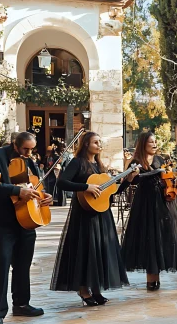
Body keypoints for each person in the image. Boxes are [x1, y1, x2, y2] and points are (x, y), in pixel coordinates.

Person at [0, 132, 53, 324]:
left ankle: (21, 304)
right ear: (15, 144)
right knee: (2, 262)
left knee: (23, 263)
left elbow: (35, 185)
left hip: (26, 217)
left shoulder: (29, 161)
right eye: (25, 149)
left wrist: (44, 196)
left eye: (32, 150)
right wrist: (16, 191)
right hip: (3, 219)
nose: (29, 153)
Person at [50, 131, 131, 305]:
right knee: (86, 251)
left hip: (102, 214)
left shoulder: (100, 166)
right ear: (86, 144)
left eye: (100, 142)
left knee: (100, 251)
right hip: (84, 214)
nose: (99, 145)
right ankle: (83, 290)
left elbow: (111, 192)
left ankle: (96, 289)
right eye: (96, 142)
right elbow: (62, 182)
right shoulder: (77, 162)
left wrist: (128, 180)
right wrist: (85, 186)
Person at [120, 132, 177, 291]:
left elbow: (165, 176)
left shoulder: (159, 160)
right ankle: (152, 278)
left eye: (156, 141)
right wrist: (136, 176)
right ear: (143, 144)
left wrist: (173, 180)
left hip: (165, 200)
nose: (155, 144)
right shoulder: (137, 162)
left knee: (167, 236)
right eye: (151, 142)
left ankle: (160, 271)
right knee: (150, 238)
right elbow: (132, 181)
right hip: (146, 203)